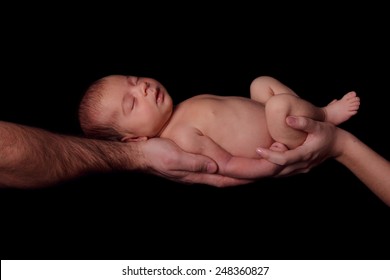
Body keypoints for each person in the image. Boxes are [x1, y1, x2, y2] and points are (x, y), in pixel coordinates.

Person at [78, 74, 360, 180]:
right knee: (278, 107)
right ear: (135, 138)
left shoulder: (179, 110)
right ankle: (323, 114)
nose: (144, 88)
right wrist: (270, 165)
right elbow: (226, 164)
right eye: (132, 103)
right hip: (279, 136)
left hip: (270, 116)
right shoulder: (181, 138)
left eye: (134, 79)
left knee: (260, 84)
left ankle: (303, 113)